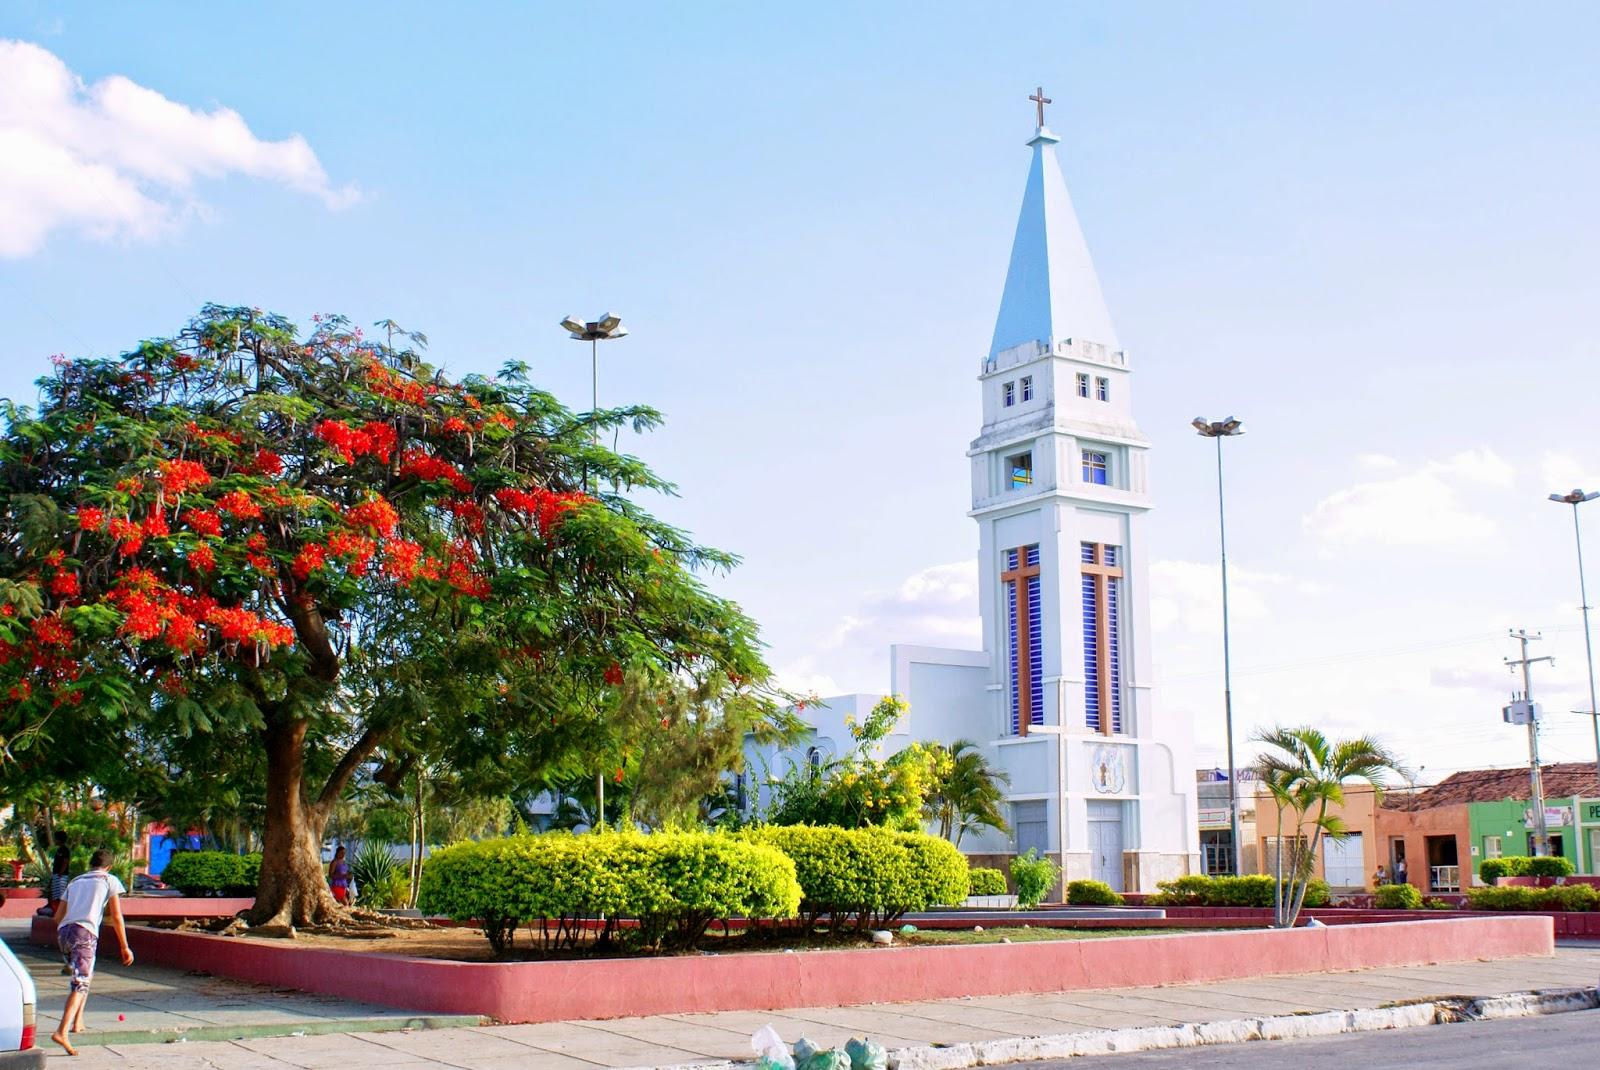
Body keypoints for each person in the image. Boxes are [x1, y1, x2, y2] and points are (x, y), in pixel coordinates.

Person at [50, 848, 133, 1056]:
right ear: (109, 866)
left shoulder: (75, 881)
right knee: (80, 983)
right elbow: (116, 916)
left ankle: (78, 1021)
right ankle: (62, 1031)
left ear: (91, 864)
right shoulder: (109, 880)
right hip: (84, 933)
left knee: (85, 976)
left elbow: (57, 916)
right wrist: (124, 946)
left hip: (64, 932)